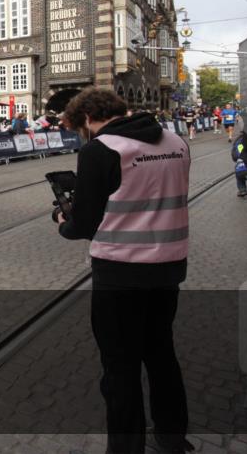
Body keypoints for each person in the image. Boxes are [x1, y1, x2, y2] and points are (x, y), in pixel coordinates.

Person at [56, 87, 192, 454]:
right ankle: (172, 434)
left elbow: (83, 224)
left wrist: (62, 219)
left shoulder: (100, 150)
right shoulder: (177, 141)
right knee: (161, 352)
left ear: (87, 118)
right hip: (169, 268)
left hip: (120, 271)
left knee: (120, 367)